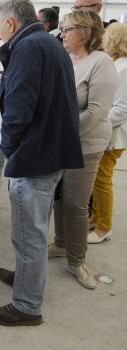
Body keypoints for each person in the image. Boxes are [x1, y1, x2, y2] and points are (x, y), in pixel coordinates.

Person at [0, 0, 84, 326]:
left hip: (37, 154)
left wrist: (8, 149)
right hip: (51, 151)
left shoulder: (28, 48)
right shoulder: (48, 41)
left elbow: (18, 110)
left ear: (11, 23)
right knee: (32, 229)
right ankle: (26, 278)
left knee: (30, 233)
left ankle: (27, 306)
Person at [50, 10, 117, 288]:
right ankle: (62, 243)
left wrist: (61, 136)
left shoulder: (101, 63)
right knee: (59, 196)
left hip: (85, 144)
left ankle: (77, 261)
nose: (62, 34)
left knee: (76, 204)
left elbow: (96, 112)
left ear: (86, 32)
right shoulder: (68, 59)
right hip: (62, 140)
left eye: (67, 30)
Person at [88, 22, 127, 243]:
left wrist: (96, 121)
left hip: (114, 135)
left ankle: (104, 227)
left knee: (102, 178)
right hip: (107, 130)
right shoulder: (116, 63)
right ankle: (96, 217)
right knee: (97, 178)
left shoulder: (124, 67)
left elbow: (122, 109)